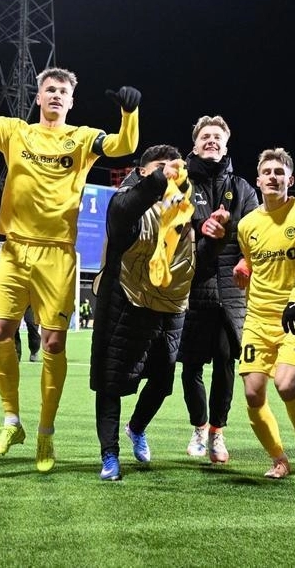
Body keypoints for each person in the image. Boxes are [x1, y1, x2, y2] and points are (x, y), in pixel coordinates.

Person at [0, 25, 139, 471]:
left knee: (54, 341)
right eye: (50, 89)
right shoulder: (16, 132)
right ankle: (11, 420)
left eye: (63, 91)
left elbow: (124, 145)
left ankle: (45, 432)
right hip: (14, 250)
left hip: (57, 253)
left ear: (71, 101)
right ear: (38, 96)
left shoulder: (81, 138)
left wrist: (129, 113)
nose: (56, 95)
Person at [90, 145, 195, 481]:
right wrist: (158, 180)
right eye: (159, 166)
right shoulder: (126, 200)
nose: (169, 171)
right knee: (111, 382)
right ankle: (109, 455)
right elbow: (125, 209)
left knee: (163, 382)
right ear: (142, 171)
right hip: (126, 300)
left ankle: (136, 428)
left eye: (172, 166)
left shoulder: (184, 202)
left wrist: (216, 233)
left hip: (171, 304)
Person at [236, 148, 295, 480]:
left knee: (287, 385)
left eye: (279, 172)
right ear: (258, 180)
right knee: (252, 392)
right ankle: (278, 458)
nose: (273, 177)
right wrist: (243, 270)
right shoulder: (246, 225)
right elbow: (251, 263)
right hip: (257, 317)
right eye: (267, 172)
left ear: (291, 179)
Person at [179, 116, 258, 464]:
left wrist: (246, 260)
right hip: (193, 287)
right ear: (195, 144)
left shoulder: (242, 189)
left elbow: (254, 233)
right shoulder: (181, 185)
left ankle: (217, 433)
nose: (211, 140)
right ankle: (198, 427)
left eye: (217, 137)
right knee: (191, 366)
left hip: (230, 290)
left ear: (226, 145)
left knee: (226, 363)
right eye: (205, 136)